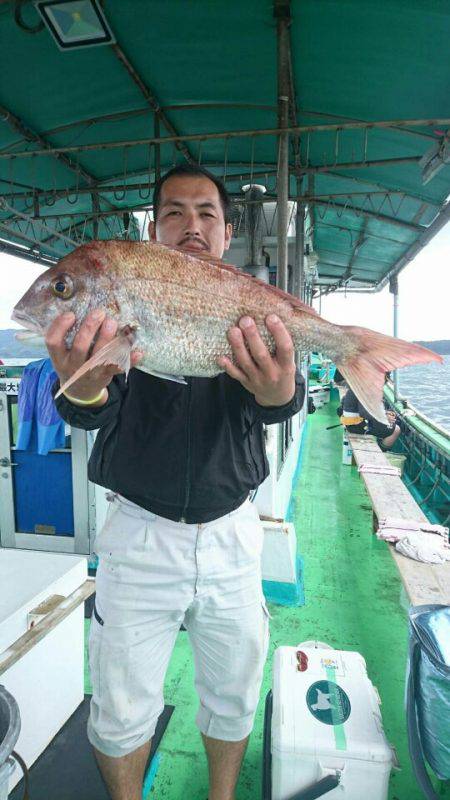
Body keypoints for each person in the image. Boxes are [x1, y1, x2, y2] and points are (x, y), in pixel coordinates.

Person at [46, 164, 305, 800]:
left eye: (206, 213)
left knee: (235, 693)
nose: (191, 225)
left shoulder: (247, 300)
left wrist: (283, 392)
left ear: (224, 231)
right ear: (154, 228)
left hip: (231, 535)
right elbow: (89, 408)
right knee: (119, 706)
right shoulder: (127, 297)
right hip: (138, 534)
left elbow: (278, 400)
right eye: (174, 213)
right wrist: (81, 384)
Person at [338, 384, 401, 451]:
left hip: (354, 423)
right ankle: (381, 451)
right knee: (396, 430)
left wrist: (384, 413)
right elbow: (364, 413)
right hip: (358, 427)